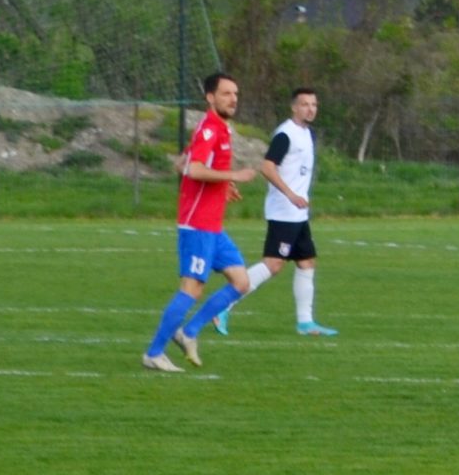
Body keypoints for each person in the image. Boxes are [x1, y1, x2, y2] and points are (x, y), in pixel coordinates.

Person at [141, 72, 281, 372]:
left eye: (236, 94)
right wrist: (233, 176)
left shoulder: (220, 128)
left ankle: (188, 333)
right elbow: (193, 169)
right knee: (191, 289)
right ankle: (154, 353)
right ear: (210, 97)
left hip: (213, 226)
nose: (233, 99)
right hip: (197, 225)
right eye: (226, 93)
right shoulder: (209, 129)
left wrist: (221, 186)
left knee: (242, 282)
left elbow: (182, 163)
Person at [255, 87, 336, 336]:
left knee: (306, 262)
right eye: (305, 104)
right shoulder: (285, 134)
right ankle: (225, 305)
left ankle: (305, 322)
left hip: (298, 214)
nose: (310, 109)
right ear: (294, 107)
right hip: (283, 212)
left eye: (314, 104)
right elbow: (267, 168)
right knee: (274, 264)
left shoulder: (307, 133)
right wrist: (291, 195)